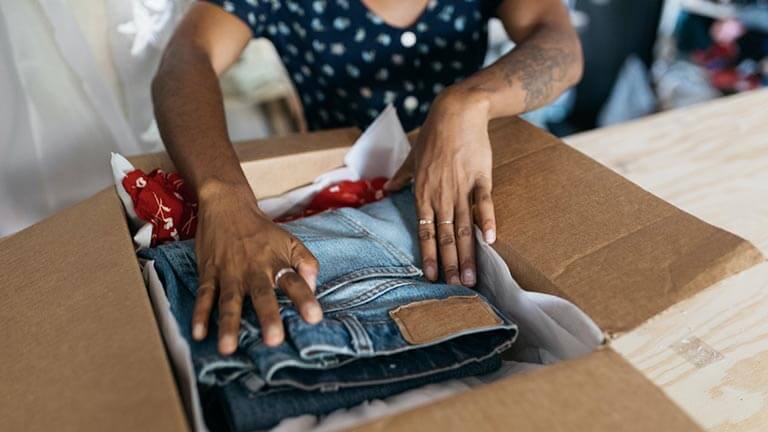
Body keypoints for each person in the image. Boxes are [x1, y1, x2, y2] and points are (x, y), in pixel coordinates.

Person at [152, 0, 583, 356]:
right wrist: (222, 195)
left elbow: (560, 43)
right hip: (342, 190)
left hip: (466, 167)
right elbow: (185, 57)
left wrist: (468, 101)